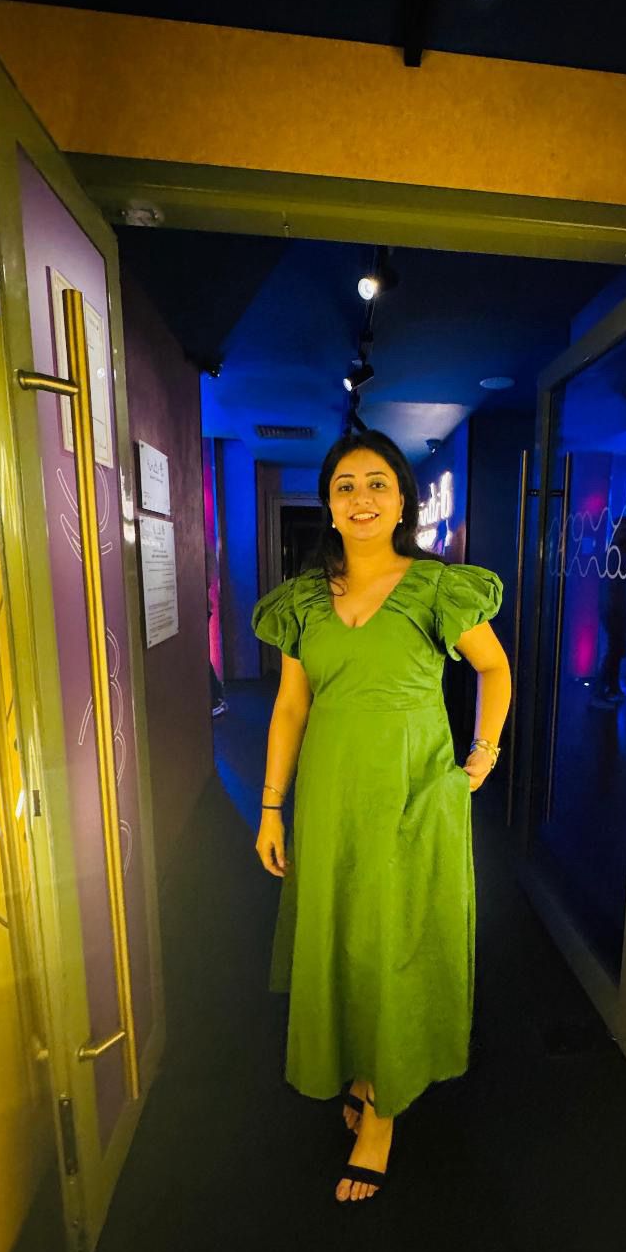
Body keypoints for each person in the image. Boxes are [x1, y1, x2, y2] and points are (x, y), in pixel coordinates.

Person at [250, 428, 511, 1204]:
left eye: (376, 485)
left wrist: (484, 753)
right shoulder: (304, 601)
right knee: (345, 938)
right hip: (330, 800)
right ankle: (364, 1072)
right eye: (345, 487)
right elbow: (291, 709)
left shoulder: (438, 590)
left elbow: (495, 669)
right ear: (329, 506)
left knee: (396, 942)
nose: (361, 499)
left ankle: (385, 1113)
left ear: (401, 500)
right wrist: (270, 807)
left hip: (412, 797)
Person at [591, 514, 626, 708]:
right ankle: (603, 689)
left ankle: (610, 688)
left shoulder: (617, 551)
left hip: (615, 609)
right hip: (615, 609)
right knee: (615, 650)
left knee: (616, 650)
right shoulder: (619, 552)